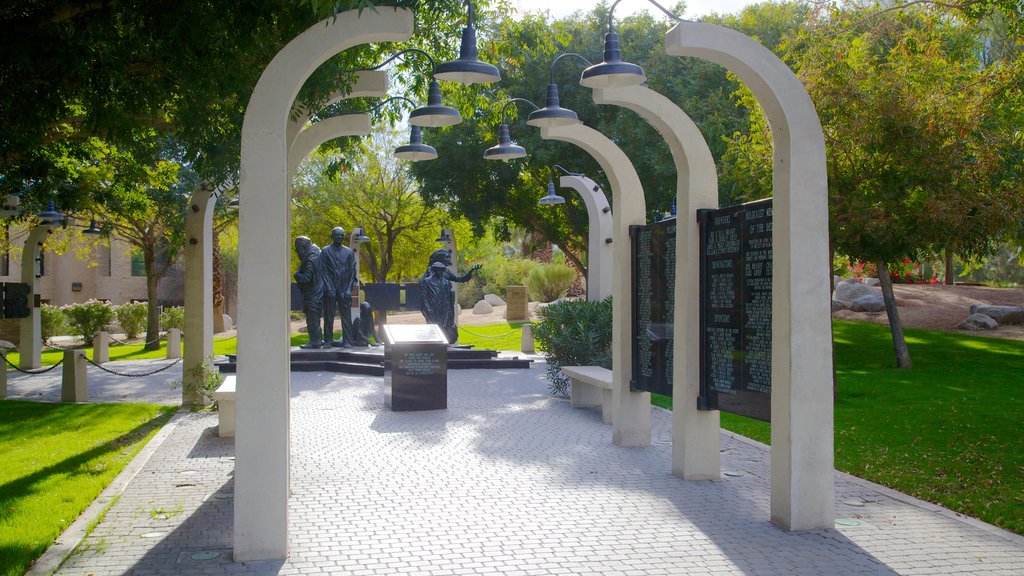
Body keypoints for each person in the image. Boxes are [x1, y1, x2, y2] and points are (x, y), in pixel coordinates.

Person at [321, 227, 358, 347]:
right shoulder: (325, 251)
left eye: (342, 235)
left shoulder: (348, 252)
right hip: (330, 288)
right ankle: (328, 340)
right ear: (332, 236)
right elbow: (323, 271)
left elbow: (353, 273)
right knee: (328, 315)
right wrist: (329, 288)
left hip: (344, 288)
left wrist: (348, 290)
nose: (340, 237)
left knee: (346, 316)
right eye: (337, 235)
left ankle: (347, 340)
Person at [293, 236, 324, 349]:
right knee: (314, 319)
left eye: (297, 249)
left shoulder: (310, 259)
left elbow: (307, 278)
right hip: (318, 292)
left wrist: (297, 275)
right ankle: (318, 340)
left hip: (313, 294)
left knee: (312, 319)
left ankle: (315, 341)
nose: (296, 252)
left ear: (303, 248)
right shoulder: (318, 253)